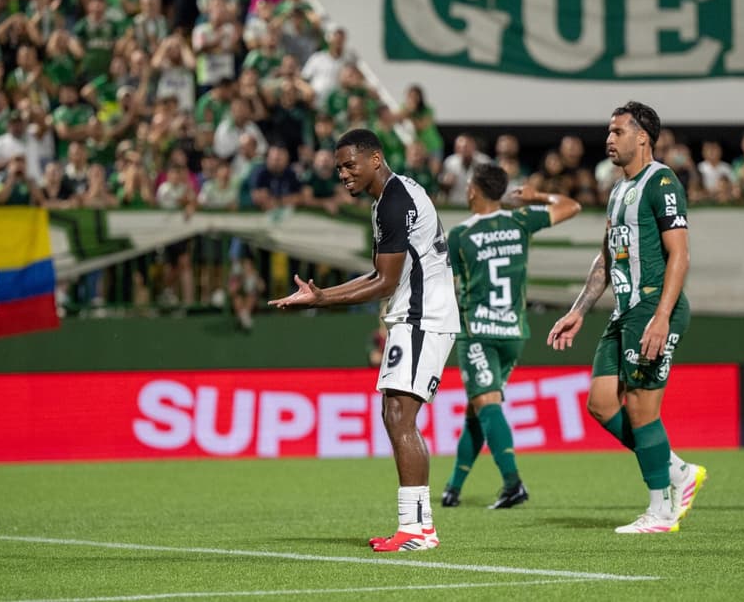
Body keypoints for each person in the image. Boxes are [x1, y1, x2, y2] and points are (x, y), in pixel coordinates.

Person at [269, 129, 459, 552]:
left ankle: (416, 530)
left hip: (422, 316)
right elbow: (381, 276)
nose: (342, 174)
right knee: (395, 414)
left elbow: (384, 281)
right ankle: (419, 527)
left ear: (375, 159)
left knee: (399, 417)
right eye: (339, 167)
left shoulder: (393, 202)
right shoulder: (393, 196)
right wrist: (321, 296)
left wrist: (320, 299)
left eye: (349, 164)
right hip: (417, 316)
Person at [547, 101, 707, 534]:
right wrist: (578, 310)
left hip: (653, 308)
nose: (608, 139)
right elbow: (606, 258)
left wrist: (661, 316)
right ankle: (675, 469)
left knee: (640, 409)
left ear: (643, 137)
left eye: (617, 131)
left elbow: (680, 255)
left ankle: (660, 511)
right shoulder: (619, 190)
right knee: (600, 404)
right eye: (609, 131)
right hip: (624, 312)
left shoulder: (662, 181)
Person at [442, 163, 580, 510]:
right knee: (478, 408)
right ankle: (452, 489)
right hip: (513, 332)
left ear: (473, 190)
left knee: (486, 404)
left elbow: (445, 286)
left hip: (478, 333)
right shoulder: (520, 221)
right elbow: (571, 207)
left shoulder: (460, 235)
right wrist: (537, 196)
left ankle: (513, 484)